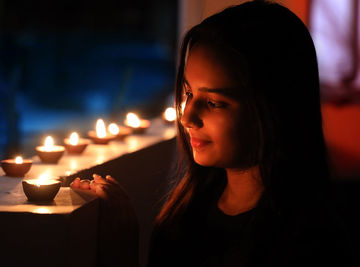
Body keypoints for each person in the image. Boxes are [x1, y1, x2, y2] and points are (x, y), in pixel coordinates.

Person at [71, 1, 355, 266]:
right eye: (188, 93)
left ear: (275, 108)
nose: (187, 116)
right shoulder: (187, 213)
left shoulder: (309, 239)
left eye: (214, 103)